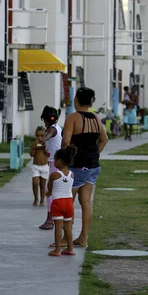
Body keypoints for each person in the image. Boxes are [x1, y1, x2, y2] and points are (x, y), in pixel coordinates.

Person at [61, 87, 108, 248]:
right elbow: (104, 139)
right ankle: (83, 238)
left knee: (68, 201)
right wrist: (95, 155)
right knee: (86, 202)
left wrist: (63, 161)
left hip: (76, 166)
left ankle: (65, 238)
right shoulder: (96, 118)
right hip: (93, 166)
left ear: (76, 100)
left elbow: (66, 143)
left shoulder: (72, 118)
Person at [47, 146, 77, 257]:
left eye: (55, 160)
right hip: (69, 203)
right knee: (68, 227)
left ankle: (58, 250)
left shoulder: (54, 175)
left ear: (59, 161)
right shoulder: (72, 174)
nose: (54, 162)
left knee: (58, 227)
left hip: (58, 203)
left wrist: (49, 193)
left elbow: (50, 188)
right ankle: (70, 248)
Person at [39, 106, 63, 231]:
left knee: (50, 191)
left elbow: (49, 135)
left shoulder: (52, 129)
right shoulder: (57, 127)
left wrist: (43, 139)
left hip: (55, 164)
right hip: (56, 162)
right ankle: (56, 217)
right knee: (55, 191)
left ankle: (50, 220)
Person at [30, 126, 49, 206]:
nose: (40, 138)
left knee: (42, 184)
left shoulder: (47, 144)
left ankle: (42, 200)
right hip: (36, 166)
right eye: (38, 136)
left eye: (42, 136)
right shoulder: (34, 143)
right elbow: (31, 154)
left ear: (45, 136)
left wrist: (45, 149)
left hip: (44, 166)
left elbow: (48, 155)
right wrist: (34, 149)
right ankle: (36, 198)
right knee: (35, 183)